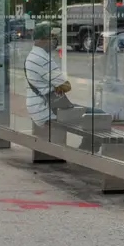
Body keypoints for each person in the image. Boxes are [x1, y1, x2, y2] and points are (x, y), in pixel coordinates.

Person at [24, 22, 102, 151]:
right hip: (48, 111)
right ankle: (84, 152)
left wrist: (55, 86)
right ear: (43, 39)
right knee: (99, 116)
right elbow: (66, 86)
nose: (55, 40)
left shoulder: (32, 55)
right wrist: (58, 86)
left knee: (90, 113)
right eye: (52, 37)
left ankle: (84, 151)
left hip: (40, 106)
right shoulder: (42, 58)